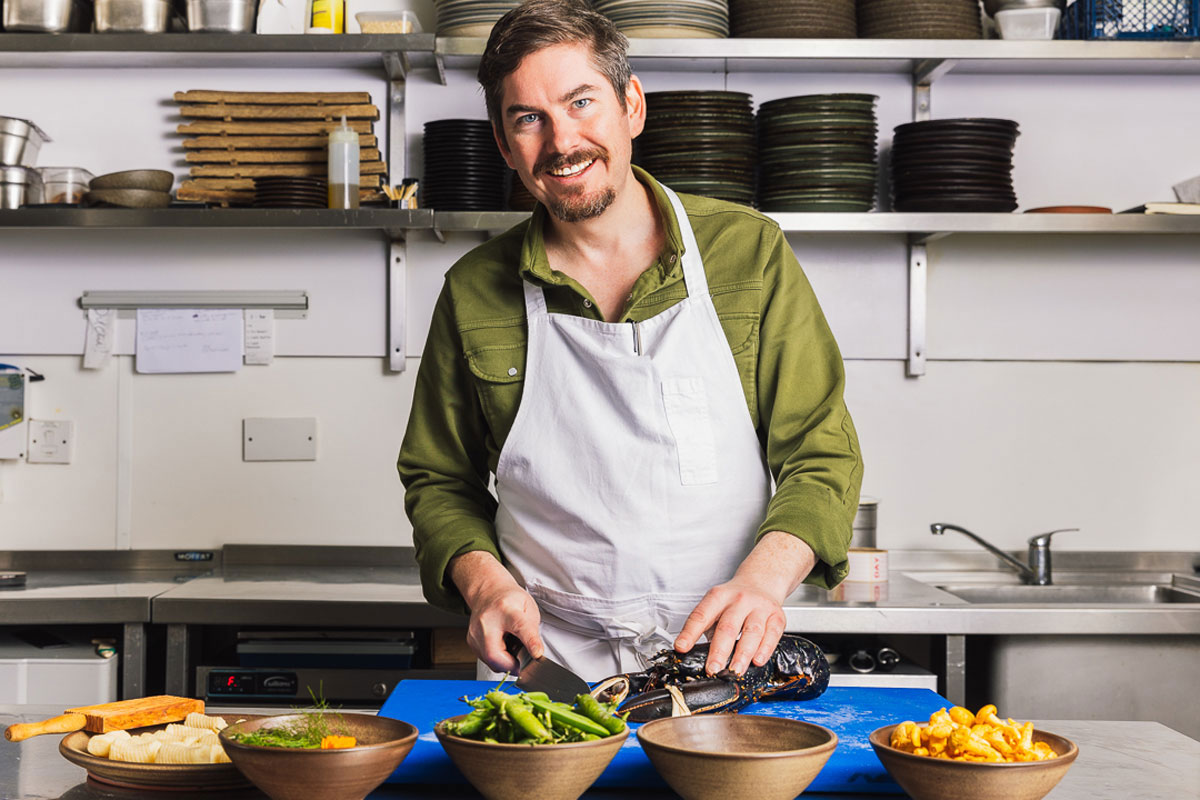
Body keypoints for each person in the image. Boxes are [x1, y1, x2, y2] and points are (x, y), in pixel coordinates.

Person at [398, 0, 862, 683]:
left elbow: (821, 453)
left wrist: (763, 583)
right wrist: (485, 584)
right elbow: (440, 480)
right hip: (546, 664)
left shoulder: (747, 255)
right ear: (503, 145)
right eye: (529, 119)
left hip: (728, 653)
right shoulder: (474, 290)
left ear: (632, 106)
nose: (562, 142)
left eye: (581, 102)